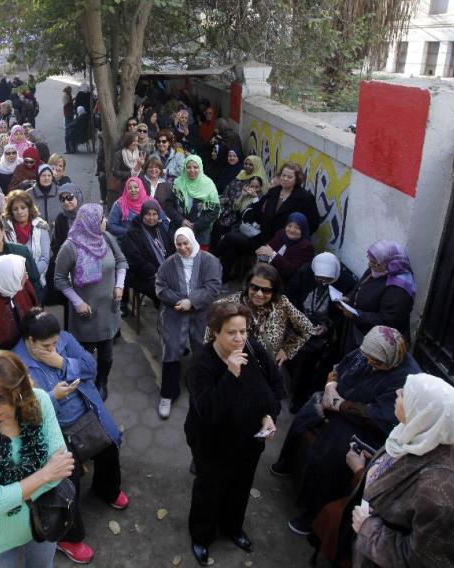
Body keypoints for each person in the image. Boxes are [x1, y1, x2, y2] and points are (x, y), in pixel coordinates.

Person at [271, 326, 422, 536]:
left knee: (335, 447)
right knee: (308, 410)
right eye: (368, 358)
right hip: (337, 401)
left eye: (376, 362)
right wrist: (330, 385)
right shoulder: (366, 351)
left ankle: (313, 513)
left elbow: (381, 415)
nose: (370, 363)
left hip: (367, 425)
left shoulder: (407, 377)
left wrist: (340, 405)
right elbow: (339, 367)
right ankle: (288, 461)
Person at [13, 309, 129, 564]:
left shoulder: (64, 339)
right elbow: (26, 414)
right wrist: (53, 397)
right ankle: (67, 536)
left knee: (109, 445)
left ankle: (106, 489)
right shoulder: (17, 364)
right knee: (68, 476)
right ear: (30, 341)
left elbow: (91, 367)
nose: (54, 347)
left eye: (56, 342)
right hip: (54, 428)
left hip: (85, 411)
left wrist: (62, 363)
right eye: (47, 345)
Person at [185, 301, 284, 565]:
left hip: (248, 442)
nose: (239, 338)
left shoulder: (253, 350)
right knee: (209, 489)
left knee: (240, 487)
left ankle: (232, 527)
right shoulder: (200, 365)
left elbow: (275, 386)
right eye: (232, 332)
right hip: (212, 443)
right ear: (215, 331)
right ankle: (202, 536)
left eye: (244, 331)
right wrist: (231, 373)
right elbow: (207, 411)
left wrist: (269, 417)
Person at [0, 350, 74, 568]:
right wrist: (45, 473)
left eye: (0, 397)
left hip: (43, 521)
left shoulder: (40, 402)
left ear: (18, 389)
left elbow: (62, 470)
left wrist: (2, 488)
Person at [350, 374, 454, 568]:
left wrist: (369, 529)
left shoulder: (441, 494)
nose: (398, 391)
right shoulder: (415, 435)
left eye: (406, 393)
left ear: (423, 412)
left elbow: (429, 562)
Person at [54, 204, 128, 401]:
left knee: (107, 351)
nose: (105, 221)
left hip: (108, 309)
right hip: (85, 311)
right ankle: (84, 384)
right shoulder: (70, 247)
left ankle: (102, 382)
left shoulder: (107, 239)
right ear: (90, 222)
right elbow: (59, 279)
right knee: (84, 354)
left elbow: (121, 261)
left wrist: (119, 286)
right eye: (102, 218)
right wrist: (78, 302)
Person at [154, 227, 225, 419]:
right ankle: (168, 393)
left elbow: (213, 287)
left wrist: (192, 301)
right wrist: (177, 300)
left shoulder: (209, 261)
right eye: (178, 244)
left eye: (186, 243)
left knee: (202, 347)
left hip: (201, 311)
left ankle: (200, 386)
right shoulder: (169, 263)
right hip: (175, 310)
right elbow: (160, 286)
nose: (183, 248)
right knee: (171, 347)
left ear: (193, 241)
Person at [214, 161, 321, 278]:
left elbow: (313, 222)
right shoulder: (274, 192)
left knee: (229, 238)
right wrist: (251, 198)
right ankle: (221, 278)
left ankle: (209, 259)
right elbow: (257, 211)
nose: (285, 179)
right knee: (231, 245)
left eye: (289, 177)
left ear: (297, 179)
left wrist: (293, 236)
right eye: (283, 175)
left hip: (281, 245)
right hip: (262, 238)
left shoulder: (304, 198)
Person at [284, 252, 358, 412]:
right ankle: (295, 389)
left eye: (328, 280)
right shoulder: (306, 273)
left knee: (312, 357)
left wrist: (327, 326)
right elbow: (290, 295)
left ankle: (303, 393)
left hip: (326, 329)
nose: (323, 283)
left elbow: (343, 314)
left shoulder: (347, 283)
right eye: (320, 279)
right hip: (300, 319)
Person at [216, 263, 315, 366]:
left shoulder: (282, 304)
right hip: (232, 370)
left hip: (264, 371)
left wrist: (287, 350)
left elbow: (307, 329)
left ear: (274, 291)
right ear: (247, 285)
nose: (259, 294)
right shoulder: (228, 305)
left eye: (266, 290)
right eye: (254, 287)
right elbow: (210, 340)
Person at [339, 240, 416, 352]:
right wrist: (349, 298)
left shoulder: (399, 289)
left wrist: (356, 315)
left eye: (374, 263)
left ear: (392, 264)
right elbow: (360, 286)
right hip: (361, 328)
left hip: (378, 343)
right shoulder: (378, 269)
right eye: (370, 260)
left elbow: (388, 322)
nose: (370, 265)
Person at [121, 199, 173, 304]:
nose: (151, 218)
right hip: (142, 275)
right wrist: (155, 273)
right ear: (142, 214)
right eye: (148, 214)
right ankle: (165, 315)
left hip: (163, 270)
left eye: (154, 214)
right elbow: (135, 260)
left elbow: (170, 249)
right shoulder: (133, 232)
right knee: (163, 291)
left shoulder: (161, 228)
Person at [169, 155, 220, 250]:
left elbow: (214, 211)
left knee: (198, 262)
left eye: (195, 167)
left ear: (200, 167)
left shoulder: (208, 184)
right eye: (188, 167)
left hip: (200, 234)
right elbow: (169, 205)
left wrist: (195, 226)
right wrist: (181, 220)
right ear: (185, 168)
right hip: (178, 232)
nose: (192, 170)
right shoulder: (177, 183)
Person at [3, 190, 51, 285]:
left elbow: (45, 258)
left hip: (36, 281)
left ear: (29, 208)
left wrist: (30, 276)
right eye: (15, 209)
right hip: (12, 282)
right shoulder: (5, 229)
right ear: (11, 211)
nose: (20, 212)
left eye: (23, 207)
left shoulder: (40, 226)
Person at [256, 212, 315, 284]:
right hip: (269, 271)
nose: (292, 230)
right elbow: (269, 246)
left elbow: (291, 270)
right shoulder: (282, 233)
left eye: (297, 228)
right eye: (289, 226)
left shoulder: (306, 247)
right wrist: (262, 253)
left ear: (303, 229)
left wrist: (272, 254)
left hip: (284, 281)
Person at [107, 176, 152, 240]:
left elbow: (164, 220)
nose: (133, 190)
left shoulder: (150, 202)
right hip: (127, 241)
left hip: (150, 240)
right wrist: (129, 231)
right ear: (126, 190)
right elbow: (111, 225)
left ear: (141, 187)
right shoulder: (119, 204)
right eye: (129, 188)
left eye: (136, 187)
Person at [51, 182, 82, 259]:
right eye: (62, 199)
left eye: (69, 197)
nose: (66, 202)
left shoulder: (87, 215)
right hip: (66, 260)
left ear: (77, 196)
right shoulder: (61, 218)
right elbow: (56, 244)